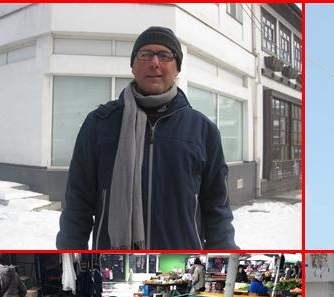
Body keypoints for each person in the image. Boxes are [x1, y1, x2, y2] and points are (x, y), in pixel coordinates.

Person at [56, 26, 237, 250]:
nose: (154, 62)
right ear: (133, 65)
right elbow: (77, 205)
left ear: (177, 67)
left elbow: (217, 210)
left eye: (164, 55)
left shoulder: (203, 131)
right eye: (145, 54)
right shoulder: (99, 124)